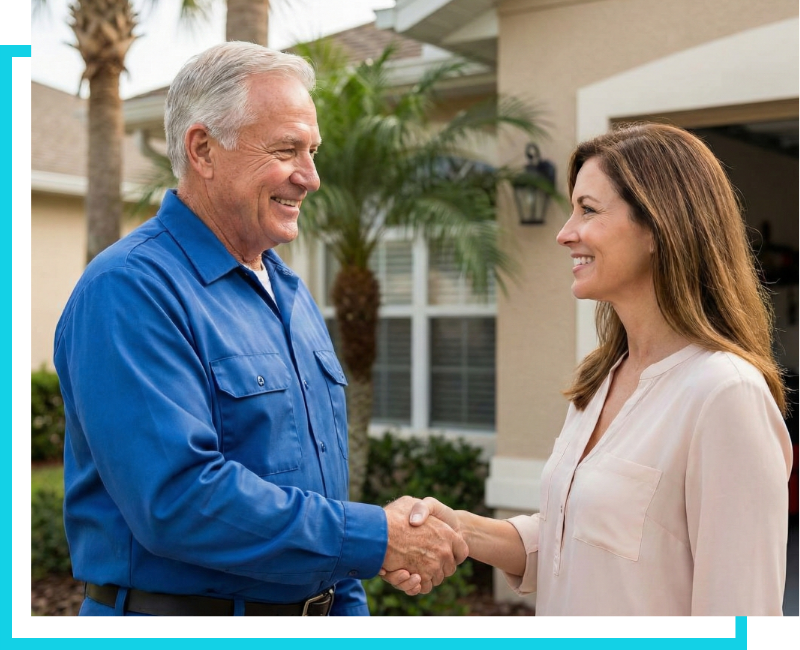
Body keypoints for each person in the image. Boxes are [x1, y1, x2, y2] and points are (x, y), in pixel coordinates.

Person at [53, 41, 467, 618]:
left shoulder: (290, 294)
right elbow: (177, 500)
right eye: (286, 150)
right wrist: (376, 537)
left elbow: (323, 500)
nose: (311, 178)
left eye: (313, 151)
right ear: (203, 149)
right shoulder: (130, 289)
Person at [381, 122, 794, 616]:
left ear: (659, 228)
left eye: (588, 210)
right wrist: (460, 529)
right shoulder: (603, 378)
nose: (564, 233)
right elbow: (577, 533)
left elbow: (740, 613)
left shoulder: (725, 393)